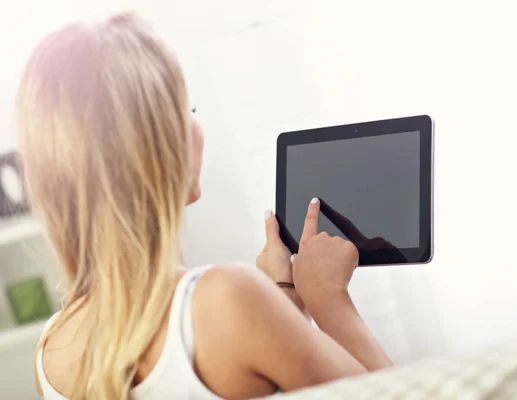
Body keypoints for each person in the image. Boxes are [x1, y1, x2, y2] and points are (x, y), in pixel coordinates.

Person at [16, 12, 392, 400]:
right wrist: (327, 296)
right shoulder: (228, 297)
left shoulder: (53, 347)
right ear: (160, 144)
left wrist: (281, 296)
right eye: (188, 110)